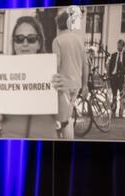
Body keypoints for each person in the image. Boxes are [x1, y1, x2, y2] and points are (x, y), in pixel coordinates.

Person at [0, 16, 75, 139]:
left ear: (39, 43)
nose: (24, 44)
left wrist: (61, 91)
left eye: (31, 39)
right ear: (14, 44)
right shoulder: (4, 73)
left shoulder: (51, 71)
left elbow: (63, 117)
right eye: (19, 39)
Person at [52, 10, 89, 139]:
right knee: (67, 117)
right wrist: (85, 85)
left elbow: (55, 65)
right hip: (76, 84)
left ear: (59, 24)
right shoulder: (79, 40)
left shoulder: (58, 41)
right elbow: (85, 65)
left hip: (63, 86)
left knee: (63, 121)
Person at [108, 39, 125, 118]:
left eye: (120, 45)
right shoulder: (113, 55)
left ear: (123, 46)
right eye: (117, 45)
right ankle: (113, 111)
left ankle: (121, 111)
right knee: (114, 96)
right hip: (113, 77)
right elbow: (110, 66)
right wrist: (109, 75)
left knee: (122, 96)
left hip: (121, 78)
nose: (118, 46)